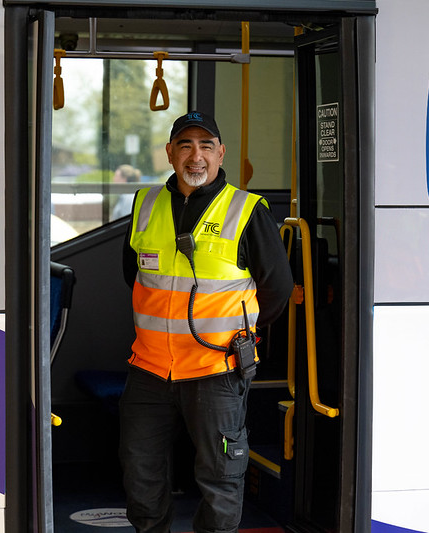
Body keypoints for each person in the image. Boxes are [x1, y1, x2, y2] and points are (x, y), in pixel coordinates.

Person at [119, 111, 294, 533]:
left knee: (220, 480)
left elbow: (278, 289)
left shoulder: (246, 210)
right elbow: (134, 276)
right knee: (141, 477)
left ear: (221, 153)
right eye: (184, 145)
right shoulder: (146, 205)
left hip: (216, 370)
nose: (195, 156)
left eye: (205, 146)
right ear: (169, 154)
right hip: (149, 371)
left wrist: (238, 331)